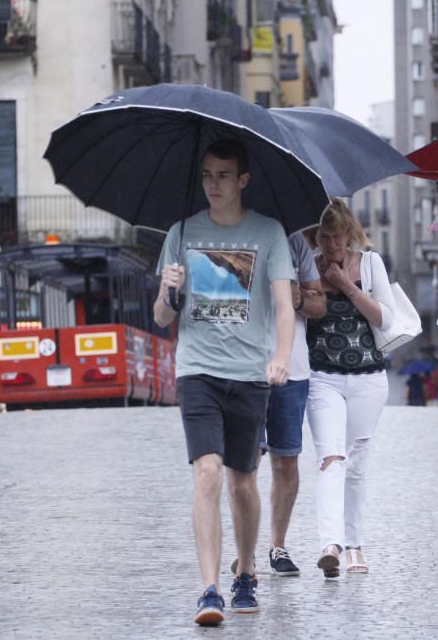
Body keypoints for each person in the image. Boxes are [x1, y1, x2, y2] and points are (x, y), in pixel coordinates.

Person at [154, 139, 295, 626]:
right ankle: (210, 588)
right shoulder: (181, 233)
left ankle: (247, 569)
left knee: (242, 483)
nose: (213, 185)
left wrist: (281, 357)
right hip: (197, 369)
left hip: (250, 372)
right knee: (208, 472)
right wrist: (170, 291)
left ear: (243, 181)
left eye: (223, 176)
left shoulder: (269, 233)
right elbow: (159, 314)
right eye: (207, 175)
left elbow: (284, 306)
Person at [227, 232, 326, 579]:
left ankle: (277, 545)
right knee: (245, 464)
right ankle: (246, 552)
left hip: (293, 370)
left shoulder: (295, 242)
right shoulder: (231, 236)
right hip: (245, 369)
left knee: (286, 461)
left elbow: (320, 304)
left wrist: (299, 301)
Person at [303, 199, 394, 577]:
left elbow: (385, 318)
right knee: (331, 458)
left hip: (368, 379)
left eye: (337, 238)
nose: (332, 246)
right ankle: (331, 545)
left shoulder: (369, 263)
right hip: (322, 377)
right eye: (324, 239)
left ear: (349, 234)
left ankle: (355, 544)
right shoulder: (307, 265)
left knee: (356, 464)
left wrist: (346, 286)